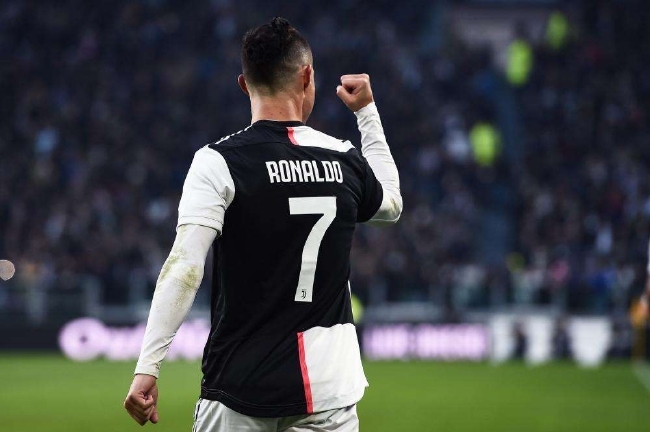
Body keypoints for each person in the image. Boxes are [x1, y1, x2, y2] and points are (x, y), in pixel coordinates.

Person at [123, 17, 402, 431]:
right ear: (307, 76)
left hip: (240, 386)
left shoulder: (218, 162)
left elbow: (184, 266)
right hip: (327, 390)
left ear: (244, 84)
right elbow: (391, 204)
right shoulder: (344, 159)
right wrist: (366, 112)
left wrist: (148, 365)